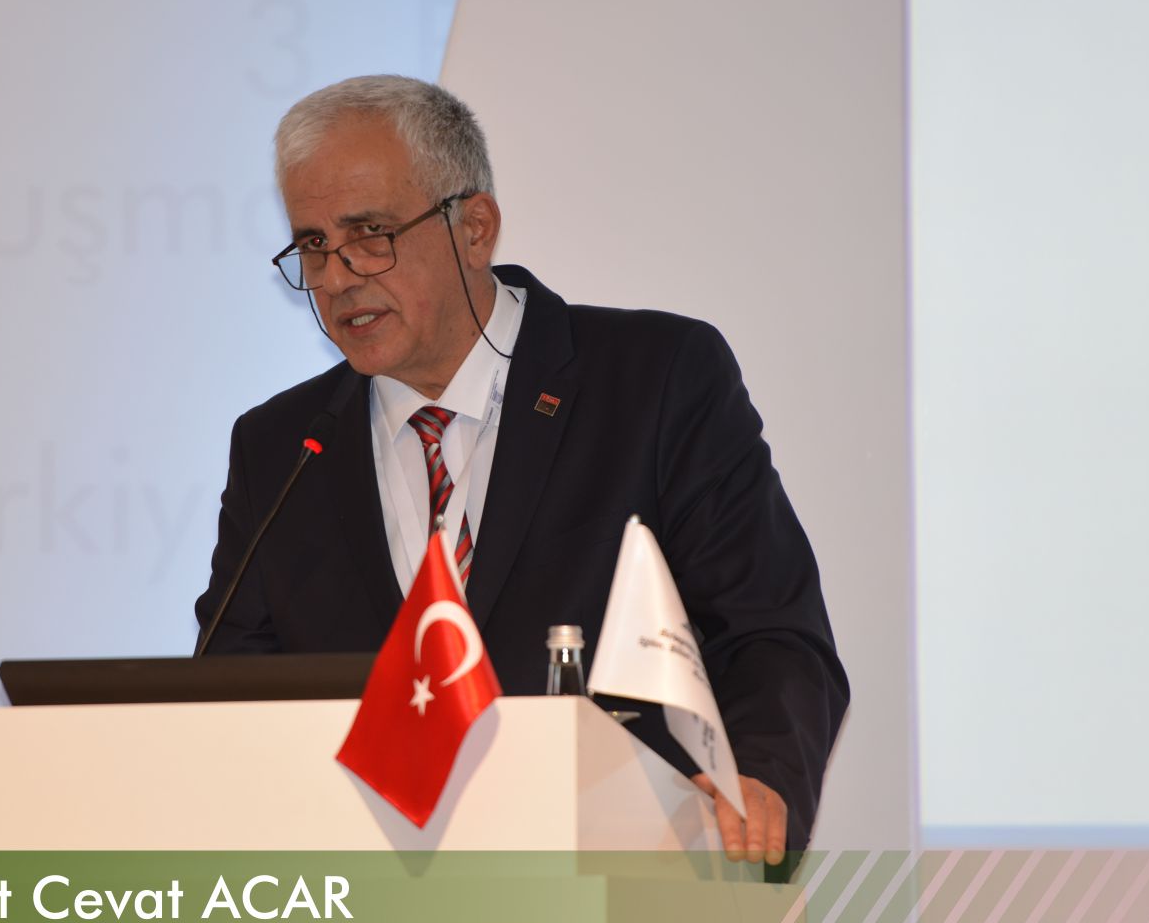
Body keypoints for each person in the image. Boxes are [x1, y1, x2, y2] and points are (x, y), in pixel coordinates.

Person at [195, 75, 847, 864]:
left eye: (369, 233)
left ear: (474, 228)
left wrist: (759, 775)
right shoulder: (282, 446)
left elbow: (767, 632)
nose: (335, 278)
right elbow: (234, 693)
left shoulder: (653, 380)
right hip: (369, 891)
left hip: (627, 879)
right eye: (312, 245)